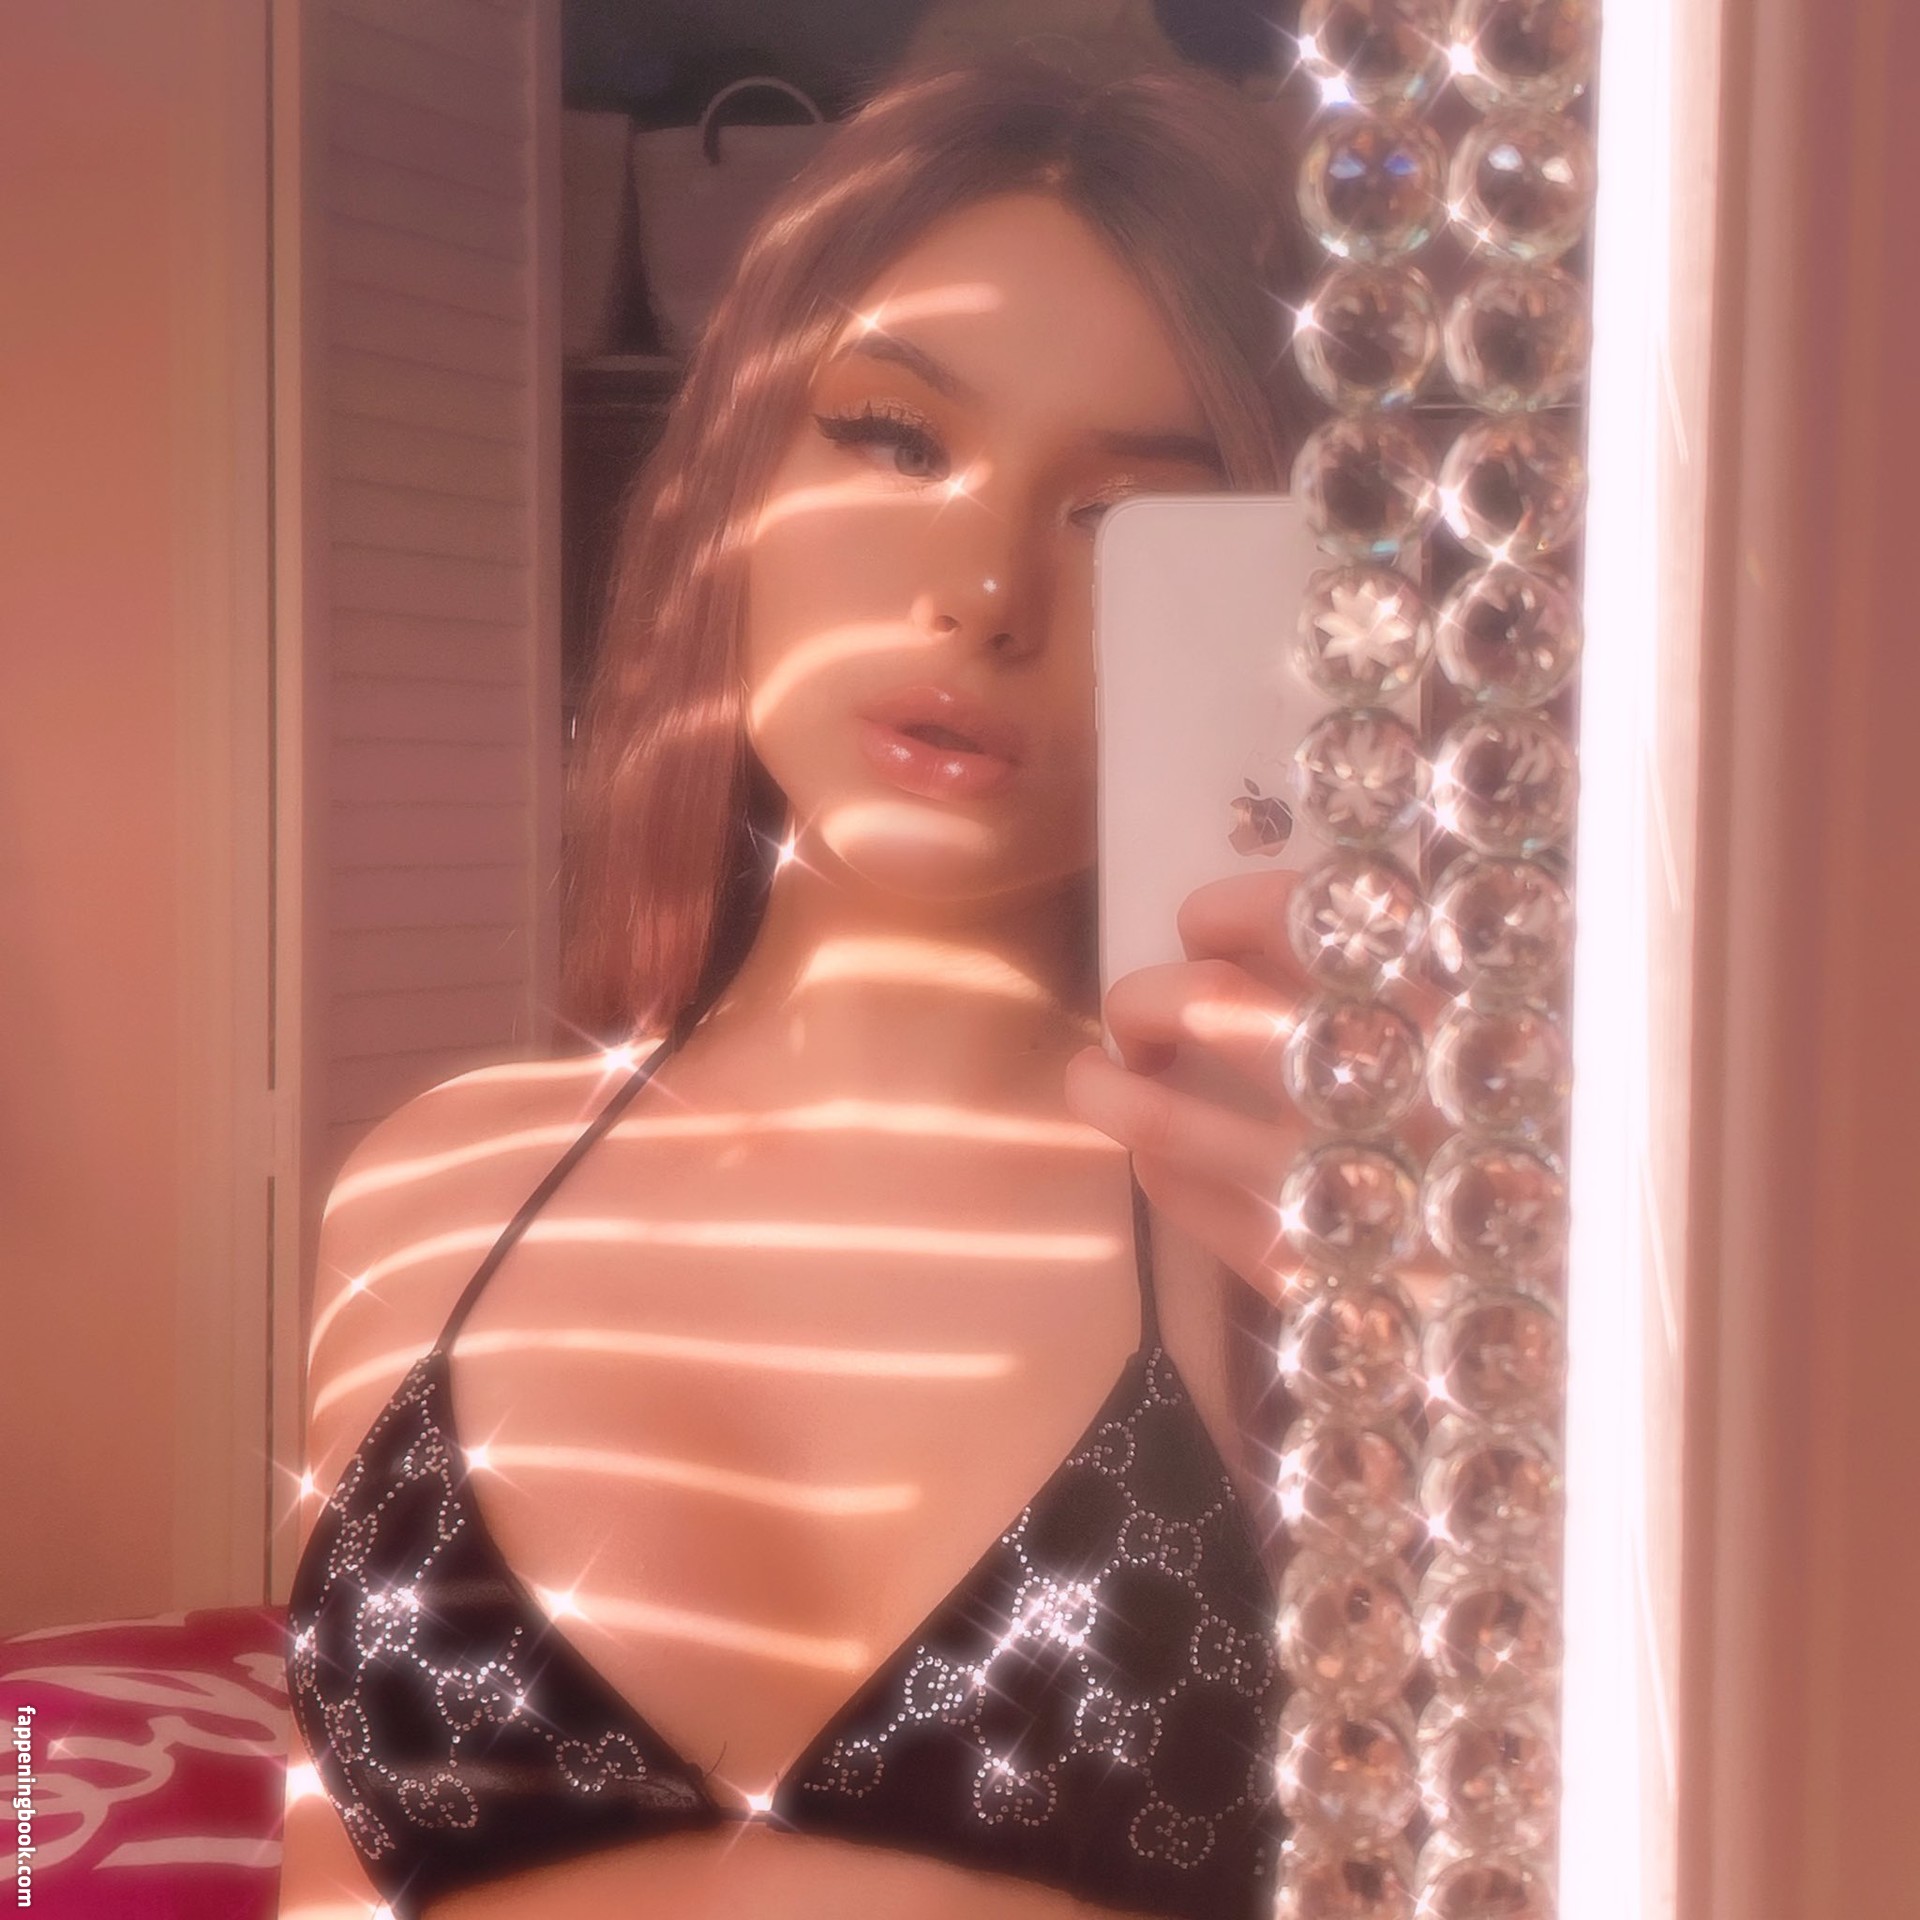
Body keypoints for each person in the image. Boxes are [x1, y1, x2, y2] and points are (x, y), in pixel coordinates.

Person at [277, 44, 1322, 1920]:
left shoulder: (1271, 1222)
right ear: (731, 485)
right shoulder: (428, 1194)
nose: (983, 588)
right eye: (894, 436)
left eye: (1122, 521)